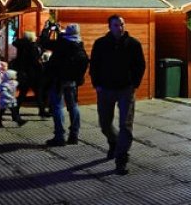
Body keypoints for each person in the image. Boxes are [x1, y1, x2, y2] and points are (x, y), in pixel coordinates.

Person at [90, 15, 146, 175]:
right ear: (109, 26)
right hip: (106, 89)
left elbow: (140, 65)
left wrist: (134, 84)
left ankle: (121, 159)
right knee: (104, 123)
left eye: (121, 24)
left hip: (125, 90)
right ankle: (113, 142)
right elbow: (94, 64)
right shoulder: (101, 44)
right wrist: (97, 84)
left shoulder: (133, 44)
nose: (119, 28)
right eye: (116, 25)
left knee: (125, 125)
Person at [42, 23, 88, 147]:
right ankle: (74, 135)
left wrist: (47, 29)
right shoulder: (79, 44)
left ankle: (59, 136)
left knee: (57, 107)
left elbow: (44, 42)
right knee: (73, 106)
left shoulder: (62, 43)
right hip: (72, 80)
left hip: (58, 80)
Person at [12, 31, 48, 117]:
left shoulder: (23, 45)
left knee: (26, 92)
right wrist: (41, 63)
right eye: (34, 35)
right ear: (31, 37)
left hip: (25, 72)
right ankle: (41, 111)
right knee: (36, 92)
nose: (36, 36)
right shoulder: (31, 47)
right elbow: (34, 60)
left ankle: (16, 111)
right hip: (33, 73)